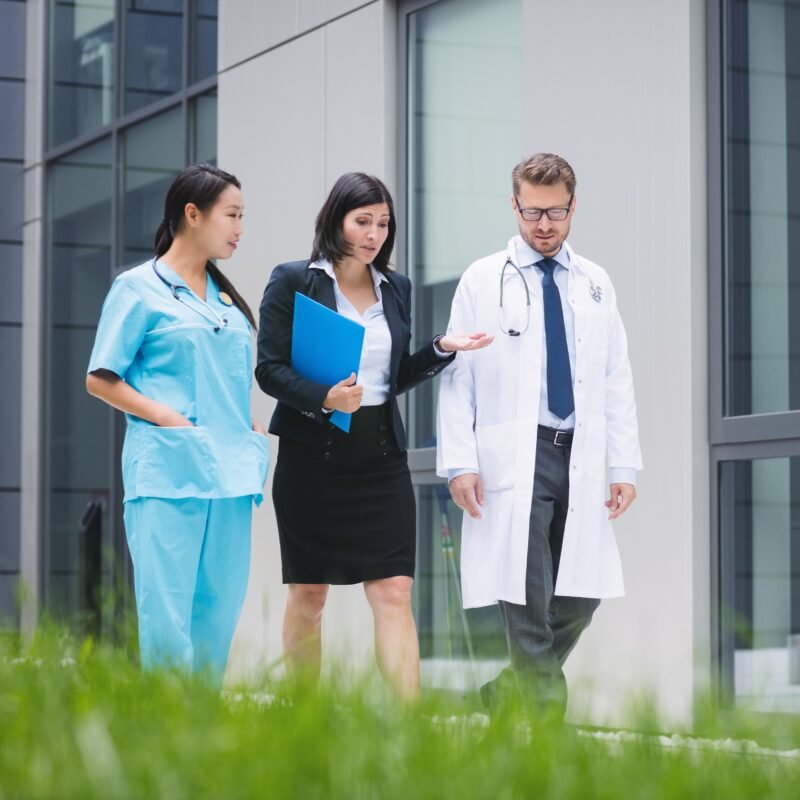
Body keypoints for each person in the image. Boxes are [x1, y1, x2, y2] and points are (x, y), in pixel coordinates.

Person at [256, 172, 492, 699]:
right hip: (311, 462)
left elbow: (394, 375)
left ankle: (406, 728)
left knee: (393, 592)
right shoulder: (294, 280)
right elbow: (269, 370)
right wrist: (325, 396)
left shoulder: (395, 286)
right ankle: (303, 718)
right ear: (335, 219)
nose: (374, 234)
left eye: (383, 224)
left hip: (381, 461)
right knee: (310, 596)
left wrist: (440, 349)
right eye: (362, 221)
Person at [436, 153, 642, 718]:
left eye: (555, 212)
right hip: (516, 453)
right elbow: (458, 378)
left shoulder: (596, 283)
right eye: (532, 212)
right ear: (514, 206)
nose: (543, 225)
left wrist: (623, 465)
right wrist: (461, 462)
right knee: (526, 594)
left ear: (573, 207)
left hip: (580, 453)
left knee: (581, 595)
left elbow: (616, 377)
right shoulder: (482, 279)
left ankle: (507, 692)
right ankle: (548, 722)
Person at [86, 164, 270, 687]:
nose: (239, 228)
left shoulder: (227, 300)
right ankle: (166, 724)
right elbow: (100, 379)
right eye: (231, 215)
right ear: (193, 214)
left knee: (218, 613)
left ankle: (202, 726)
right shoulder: (138, 288)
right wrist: (166, 416)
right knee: (167, 617)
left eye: (242, 217)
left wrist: (249, 428)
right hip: (168, 473)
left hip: (230, 476)